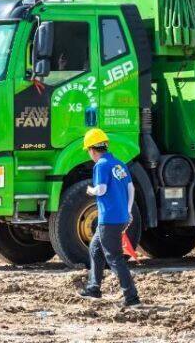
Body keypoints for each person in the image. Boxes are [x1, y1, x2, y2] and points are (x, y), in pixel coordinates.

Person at [77, 128, 140, 307]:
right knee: (95, 248)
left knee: (114, 258)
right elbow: (131, 188)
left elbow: (102, 189)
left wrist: (91, 190)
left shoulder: (101, 165)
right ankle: (93, 288)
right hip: (120, 216)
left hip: (109, 219)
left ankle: (132, 297)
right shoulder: (119, 164)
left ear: (92, 150)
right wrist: (128, 211)